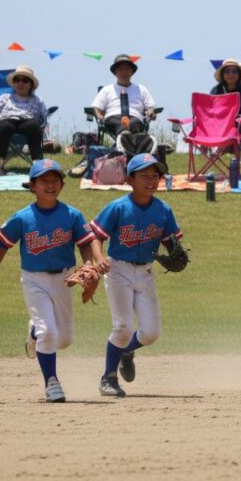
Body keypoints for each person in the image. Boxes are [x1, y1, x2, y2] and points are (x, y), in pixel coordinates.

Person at [0, 159, 101, 402]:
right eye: (43, 180)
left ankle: (34, 331)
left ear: (62, 185)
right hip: (34, 280)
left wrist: (88, 265)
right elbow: (1, 245)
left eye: (55, 180)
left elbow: (86, 244)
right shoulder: (23, 217)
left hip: (65, 279)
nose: (50, 184)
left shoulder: (72, 215)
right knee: (49, 332)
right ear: (32, 186)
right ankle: (51, 383)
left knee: (63, 339)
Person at [89, 153, 182, 398]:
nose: (151, 180)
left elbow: (170, 242)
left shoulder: (163, 210)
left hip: (146, 272)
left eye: (155, 175)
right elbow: (95, 236)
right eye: (145, 175)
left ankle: (127, 352)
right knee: (123, 327)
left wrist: (174, 253)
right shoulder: (118, 207)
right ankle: (108, 378)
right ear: (130, 179)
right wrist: (99, 259)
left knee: (151, 333)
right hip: (118, 269)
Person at [0, 65, 48, 175]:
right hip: (7, 121)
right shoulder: (5, 97)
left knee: (34, 126)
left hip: (28, 123)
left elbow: (44, 118)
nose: (20, 83)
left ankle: (36, 163)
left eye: (24, 80)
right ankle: (0, 164)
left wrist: (44, 127)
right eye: (17, 80)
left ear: (31, 84)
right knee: (5, 126)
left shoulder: (38, 100)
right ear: (14, 83)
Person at [90, 54, 158, 137]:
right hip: (113, 118)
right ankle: (125, 136)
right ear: (115, 72)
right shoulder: (107, 89)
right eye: (120, 69)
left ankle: (126, 139)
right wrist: (99, 115)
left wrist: (151, 111)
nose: (124, 72)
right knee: (116, 123)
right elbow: (97, 107)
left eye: (127, 69)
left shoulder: (141, 89)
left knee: (135, 123)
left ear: (132, 72)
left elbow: (150, 107)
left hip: (135, 119)